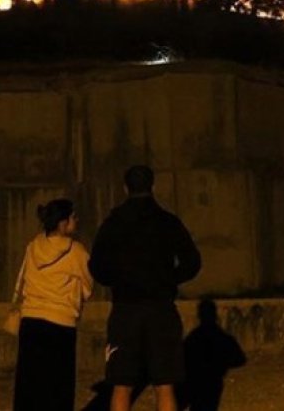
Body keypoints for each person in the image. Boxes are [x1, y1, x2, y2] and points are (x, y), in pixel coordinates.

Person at [88, 165, 202, 411]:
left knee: (121, 384)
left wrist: (117, 280)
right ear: (153, 186)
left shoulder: (113, 223)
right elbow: (192, 262)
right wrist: (169, 278)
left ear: (125, 188)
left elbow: (96, 266)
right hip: (161, 308)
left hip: (125, 309)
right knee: (165, 385)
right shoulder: (168, 222)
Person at [12, 198, 94, 411]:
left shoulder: (33, 247)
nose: (77, 220)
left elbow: (23, 279)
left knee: (28, 386)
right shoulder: (76, 251)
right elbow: (88, 285)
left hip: (30, 322)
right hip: (60, 324)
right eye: (73, 217)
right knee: (58, 388)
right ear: (63, 223)